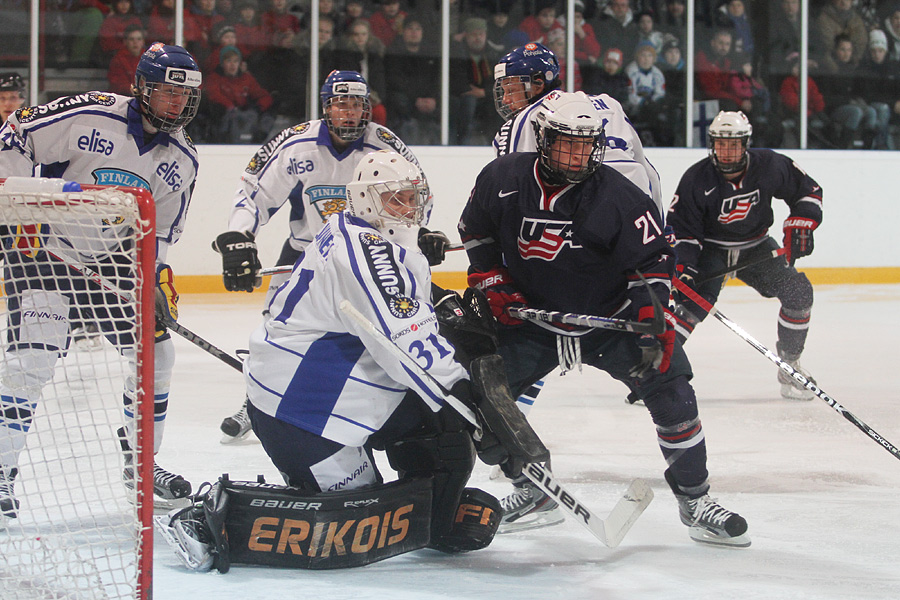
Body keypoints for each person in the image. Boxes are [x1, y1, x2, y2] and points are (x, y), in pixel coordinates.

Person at [157, 151, 548, 571]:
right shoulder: (366, 252)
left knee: (445, 434)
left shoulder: (368, 233)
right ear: (365, 199)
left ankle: (428, 514)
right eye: (395, 199)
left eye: (411, 197)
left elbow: (402, 305)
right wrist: (478, 406)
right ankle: (213, 516)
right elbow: (405, 343)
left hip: (344, 392)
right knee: (357, 525)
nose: (408, 208)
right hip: (301, 411)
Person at [459, 91, 750, 547]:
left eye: (586, 144)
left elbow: (653, 262)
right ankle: (531, 491)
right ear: (542, 139)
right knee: (476, 401)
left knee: (673, 392)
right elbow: (475, 231)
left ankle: (695, 501)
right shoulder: (501, 179)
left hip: (608, 320)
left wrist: (654, 318)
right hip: (530, 321)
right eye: (566, 143)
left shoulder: (618, 196)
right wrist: (493, 283)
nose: (577, 155)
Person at [0, 43, 203, 517]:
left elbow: (164, 232)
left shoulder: (184, 159)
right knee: (32, 360)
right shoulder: (88, 114)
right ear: (142, 86)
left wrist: (153, 281)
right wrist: (14, 207)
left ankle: (141, 461)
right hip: (43, 249)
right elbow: (14, 136)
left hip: (112, 262)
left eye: (184, 95)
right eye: (167, 91)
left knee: (158, 355)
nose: (176, 103)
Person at [214, 70, 451, 441]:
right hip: (308, 253)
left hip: (370, 256)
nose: (349, 113)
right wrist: (239, 236)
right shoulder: (297, 145)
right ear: (326, 107)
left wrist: (420, 233)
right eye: (341, 104)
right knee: (278, 328)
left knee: (382, 328)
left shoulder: (384, 146)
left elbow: (417, 192)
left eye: (357, 105)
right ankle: (256, 399)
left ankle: (384, 394)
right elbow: (254, 193)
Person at [667, 111, 822, 401]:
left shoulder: (769, 165)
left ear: (745, 144)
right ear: (712, 145)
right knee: (691, 306)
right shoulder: (696, 178)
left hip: (757, 248)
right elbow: (682, 228)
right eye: (721, 144)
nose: (727, 152)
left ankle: (789, 365)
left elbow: (807, 191)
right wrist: (683, 264)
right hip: (711, 249)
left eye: (734, 144)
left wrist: (802, 220)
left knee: (798, 292)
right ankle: (657, 372)